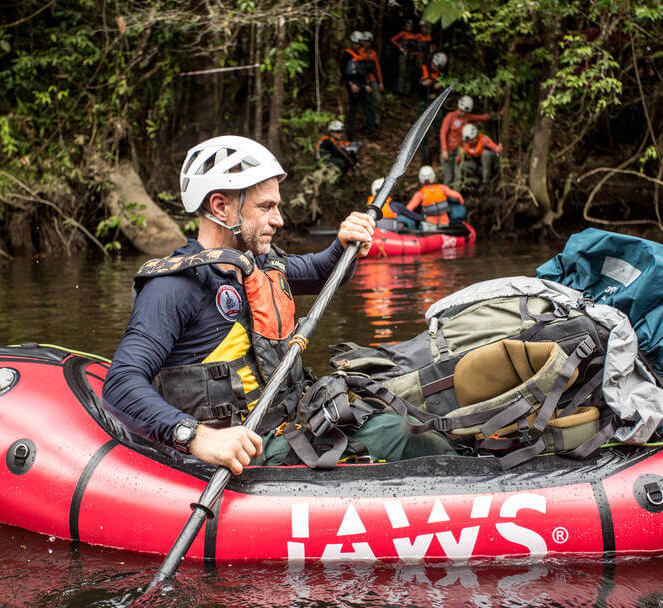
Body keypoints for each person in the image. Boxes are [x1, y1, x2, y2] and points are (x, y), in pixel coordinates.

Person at [103, 136, 455, 474]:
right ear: (221, 207)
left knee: (411, 416)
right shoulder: (175, 286)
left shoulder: (258, 263)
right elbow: (120, 384)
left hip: (291, 417)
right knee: (403, 437)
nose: (279, 219)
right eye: (266, 207)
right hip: (243, 447)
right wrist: (196, 437)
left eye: (277, 206)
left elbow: (321, 270)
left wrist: (345, 243)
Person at [440, 95, 494, 189]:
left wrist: (496, 115)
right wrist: (444, 150)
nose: (462, 113)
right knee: (449, 177)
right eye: (461, 111)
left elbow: (481, 117)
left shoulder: (466, 117)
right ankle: (445, 198)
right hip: (448, 150)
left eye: (464, 112)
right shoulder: (450, 117)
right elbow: (443, 133)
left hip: (459, 151)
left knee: (458, 176)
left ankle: (456, 197)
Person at [414, 52, 447, 163]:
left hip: (435, 103)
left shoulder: (440, 73)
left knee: (439, 127)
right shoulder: (422, 69)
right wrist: (423, 84)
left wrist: (438, 87)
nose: (435, 68)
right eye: (435, 65)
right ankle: (425, 156)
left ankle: (440, 152)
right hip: (423, 102)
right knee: (423, 129)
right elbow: (413, 86)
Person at [340, 31, 372, 138]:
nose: (357, 46)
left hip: (362, 83)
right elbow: (344, 71)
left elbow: (363, 71)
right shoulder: (347, 54)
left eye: (359, 44)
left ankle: (370, 130)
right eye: (356, 43)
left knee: (367, 105)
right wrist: (350, 84)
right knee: (353, 109)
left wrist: (366, 84)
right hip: (352, 84)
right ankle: (351, 133)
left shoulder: (361, 55)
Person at [460, 123, 501, 190]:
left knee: (485, 154)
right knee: (463, 165)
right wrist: (461, 155)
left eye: (473, 139)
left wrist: (498, 148)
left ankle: (486, 183)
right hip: (480, 168)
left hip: (492, 166)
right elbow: (458, 159)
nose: (471, 142)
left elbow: (496, 148)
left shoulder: (484, 139)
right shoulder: (466, 145)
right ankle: (476, 183)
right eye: (469, 140)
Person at [358, 31, 383, 136]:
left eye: (368, 41)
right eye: (365, 41)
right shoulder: (359, 52)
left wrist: (380, 81)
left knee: (377, 99)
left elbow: (377, 68)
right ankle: (367, 123)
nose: (366, 43)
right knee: (364, 102)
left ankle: (376, 120)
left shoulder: (373, 53)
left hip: (373, 80)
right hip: (362, 81)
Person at [389, 19, 416, 94]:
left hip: (410, 55)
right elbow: (392, 40)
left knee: (409, 73)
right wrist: (400, 47)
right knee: (402, 72)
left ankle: (407, 91)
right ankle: (400, 90)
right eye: (407, 26)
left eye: (410, 26)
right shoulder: (402, 33)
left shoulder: (413, 35)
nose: (408, 27)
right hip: (403, 55)